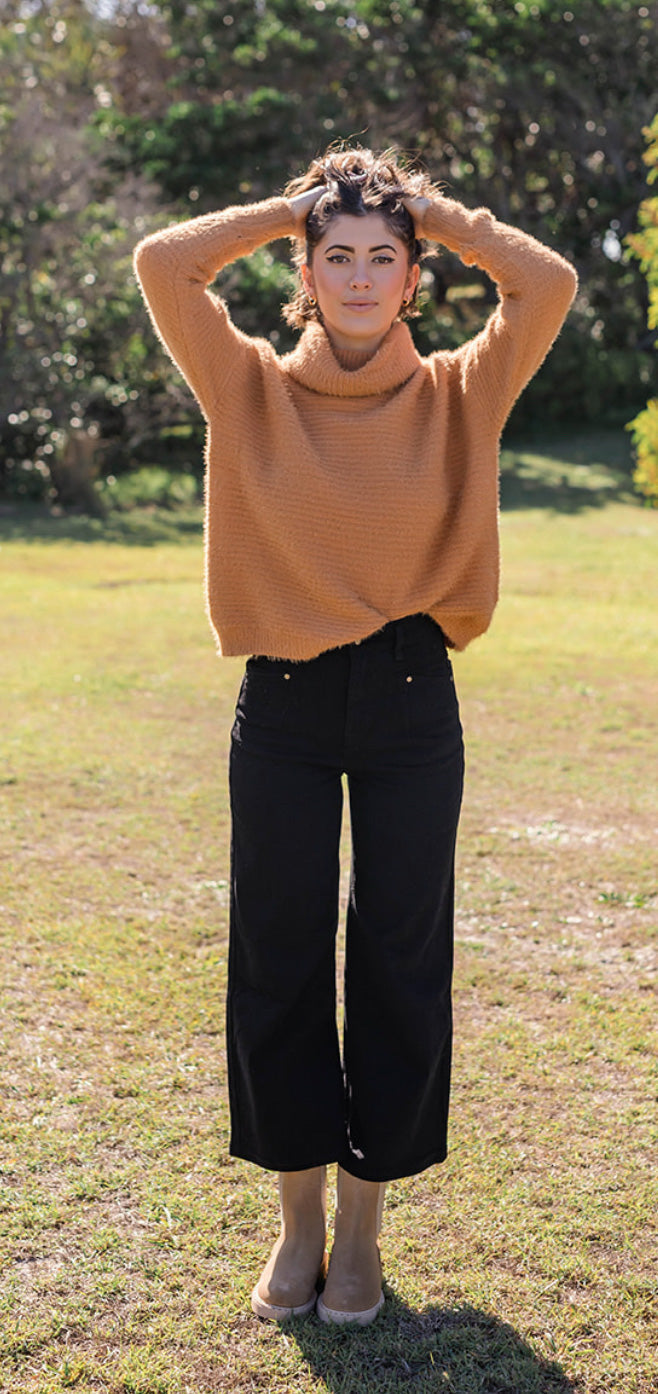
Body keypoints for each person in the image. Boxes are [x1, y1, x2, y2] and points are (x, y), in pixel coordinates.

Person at [134, 146, 577, 1326]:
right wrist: (287, 205)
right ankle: (296, 1224)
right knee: (277, 950)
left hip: (409, 695)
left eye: (385, 257)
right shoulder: (247, 387)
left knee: (397, 956)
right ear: (307, 271)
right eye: (338, 256)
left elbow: (547, 284)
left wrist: (439, 210)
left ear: (414, 275)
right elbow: (163, 265)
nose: (363, 278)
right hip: (281, 700)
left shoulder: (462, 391)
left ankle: (364, 1229)